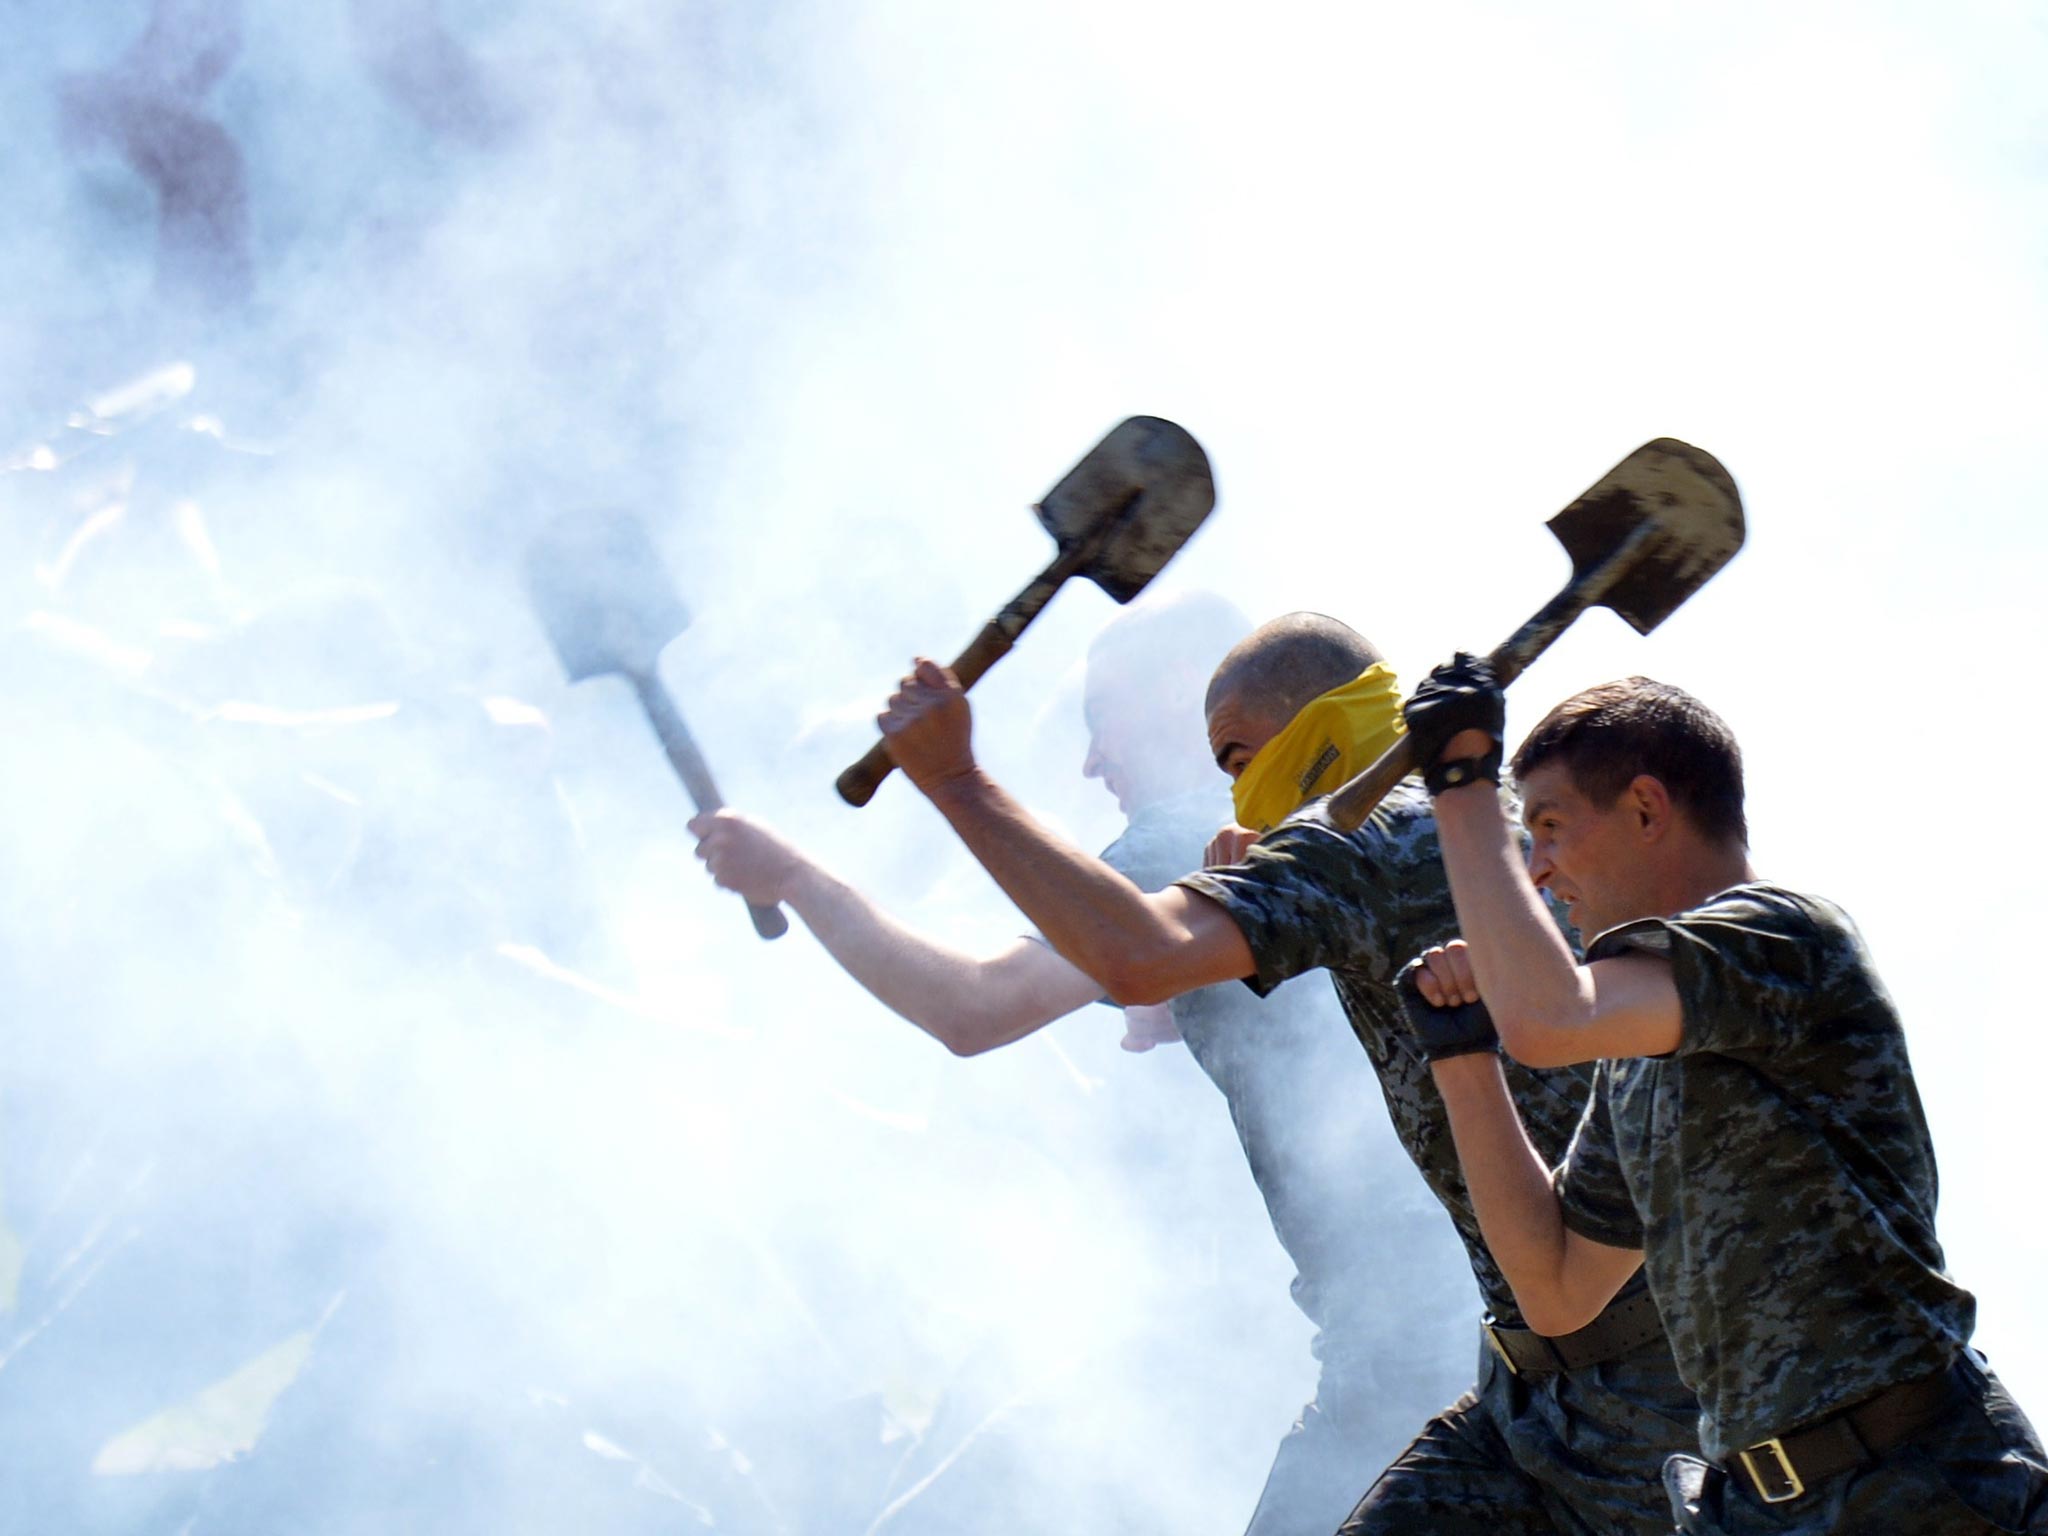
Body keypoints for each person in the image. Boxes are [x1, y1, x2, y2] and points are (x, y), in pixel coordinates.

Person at [864, 615, 1702, 1535]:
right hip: (1584, 1364)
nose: (1238, 795)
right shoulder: (1506, 824)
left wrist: (956, 780)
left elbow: (1131, 956)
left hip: (1580, 1387)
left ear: (1308, 735)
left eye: (1235, 759)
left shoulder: (1359, 837)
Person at [692, 593, 1469, 1536]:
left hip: (1407, 1360)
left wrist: (799, 877)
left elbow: (972, 1004)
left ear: (1190, 703)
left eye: (1102, 719)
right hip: (1512, 1334)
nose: (1091, 760)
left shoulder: (1183, 846)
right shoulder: (1428, 820)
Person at [1398, 665, 2048, 1533]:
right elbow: (1556, 1288)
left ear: (1645, 807)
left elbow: (1550, 1017)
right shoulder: (1635, 1053)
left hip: (1924, 1485)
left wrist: (1461, 784)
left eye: (1548, 828)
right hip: (1756, 1508)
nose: (1540, 871)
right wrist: (1460, 1055)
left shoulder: (1784, 937)